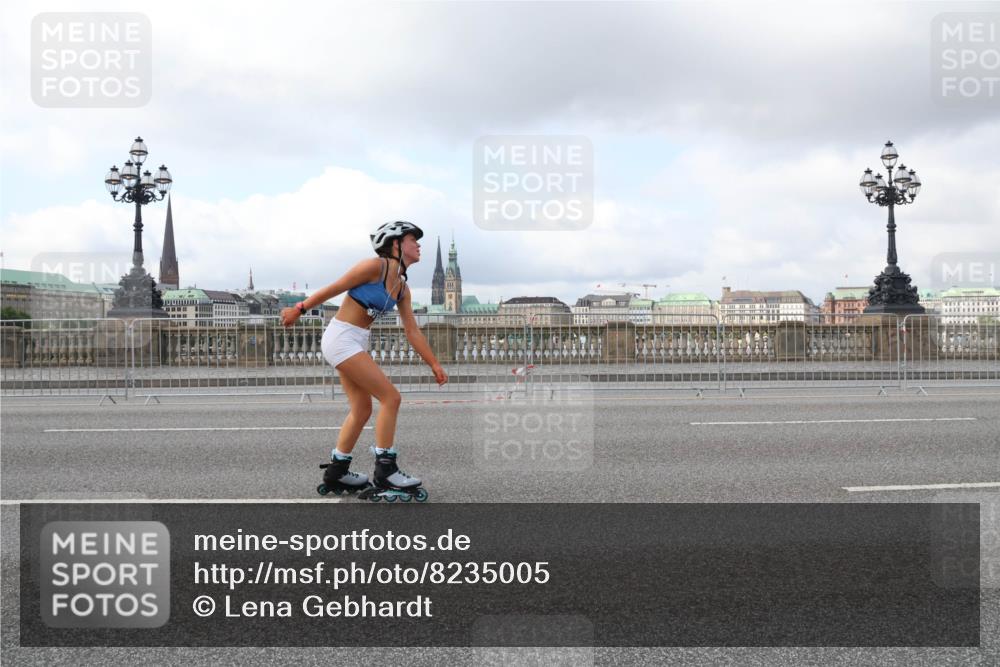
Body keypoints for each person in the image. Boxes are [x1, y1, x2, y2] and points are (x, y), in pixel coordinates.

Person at [280, 221, 448, 502]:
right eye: (411, 239)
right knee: (391, 398)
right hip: (341, 337)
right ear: (395, 245)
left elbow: (412, 331)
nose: (418, 245)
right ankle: (386, 470)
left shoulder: (402, 288)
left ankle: (338, 470)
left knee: (362, 408)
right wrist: (299, 309)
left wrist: (434, 364)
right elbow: (335, 288)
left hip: (356, 340)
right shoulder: (374, 267)